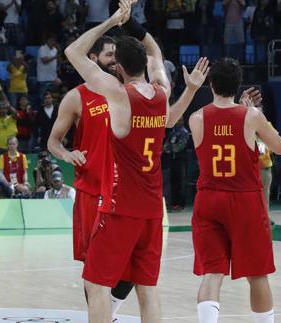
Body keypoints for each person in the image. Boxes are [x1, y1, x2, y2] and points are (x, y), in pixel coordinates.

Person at [64, 1, 208, 322]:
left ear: (116, 68)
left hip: (120, 207)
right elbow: (155, 53)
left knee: (97, 282)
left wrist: (114, 19)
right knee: (147, 287)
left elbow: (74, 52)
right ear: (144, 63)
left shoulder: (117, 94)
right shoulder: (161, 91)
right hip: (152, 209)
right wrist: (136, 27)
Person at [188, 57, 281, 323]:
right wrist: (256, 113)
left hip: (209, 199)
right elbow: (279, 147)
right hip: (244, 200)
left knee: (212, 273)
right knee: (257, 274)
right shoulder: (251, 116)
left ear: (210, 84)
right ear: (239, 85)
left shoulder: (196, 118)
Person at [48, 35, 135, 318]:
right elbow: (53, 142)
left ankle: (108, 312)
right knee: (94, 270)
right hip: (92, 191)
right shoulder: (76, 97)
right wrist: (67, 154)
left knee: (134, 264)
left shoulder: (128, 90)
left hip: (126, 191)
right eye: (109, 55)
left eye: (117, 56)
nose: (114, 61)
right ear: (93, 58)